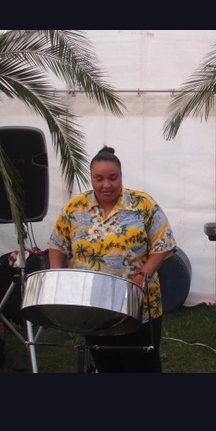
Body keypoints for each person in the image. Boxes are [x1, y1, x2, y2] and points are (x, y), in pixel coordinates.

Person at [48, 146, 176, 373]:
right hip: (92, 305)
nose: (106, 184)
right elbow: (57, 244)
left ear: (121, 176)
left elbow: (163, 244)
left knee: (142, 364)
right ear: (91, 178)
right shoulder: (75, 207)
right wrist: (57, 278)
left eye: (112, 178)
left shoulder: (142, 204)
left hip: (138, 304)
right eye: (99, 179)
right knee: (106, 364)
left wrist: (142, 276)